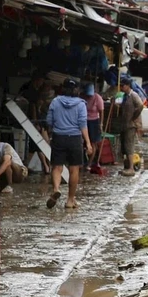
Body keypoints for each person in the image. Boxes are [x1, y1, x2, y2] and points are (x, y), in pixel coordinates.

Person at [45, 79, 92, 209]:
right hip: (74, 139)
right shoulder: (81, 104)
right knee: (74, 169)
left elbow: (49, 120)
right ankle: (70, 200)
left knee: (57, 167)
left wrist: (54, 129)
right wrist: (88, 142)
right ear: (77, 90)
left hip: (58, 137)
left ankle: (56, 189)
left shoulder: (55, 102)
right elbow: (83, 124)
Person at [116, 76, 144, 177]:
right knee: (124, 146)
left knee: (129, 146)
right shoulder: (125, 96)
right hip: (125, 124)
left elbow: (140, 105)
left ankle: (131, 168)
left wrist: (134, 116)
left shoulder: (134, 95)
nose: (121, 87)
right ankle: (127, 166)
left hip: (131, 125)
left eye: (123, 86)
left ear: (128, 86)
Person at [82, 82, 106, 168]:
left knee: (93, 143)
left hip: (94, 121)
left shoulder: (98, 98)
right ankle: (84, 161)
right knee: (84, 142)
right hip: (84, 121)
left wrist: (101, 124)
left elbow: (101, 111)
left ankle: (90, 163)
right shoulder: (83, 97)